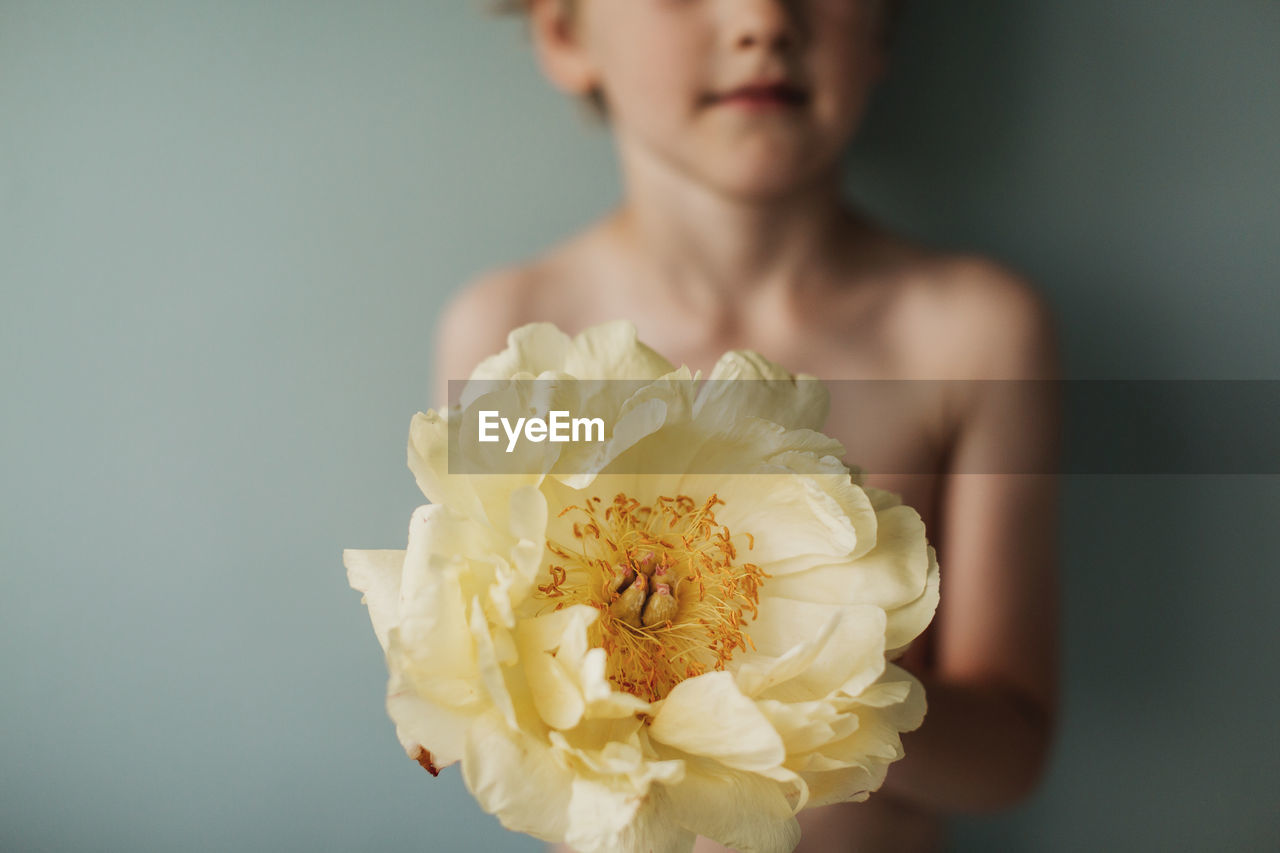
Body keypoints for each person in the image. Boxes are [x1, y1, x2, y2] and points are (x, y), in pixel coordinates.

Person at [433, 1, 1060, 850]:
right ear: (565, 34)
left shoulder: (972, 335)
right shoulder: (510, 340)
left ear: (882, 27)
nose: (764, 18)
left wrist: (812, 676)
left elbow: (1009, 753)